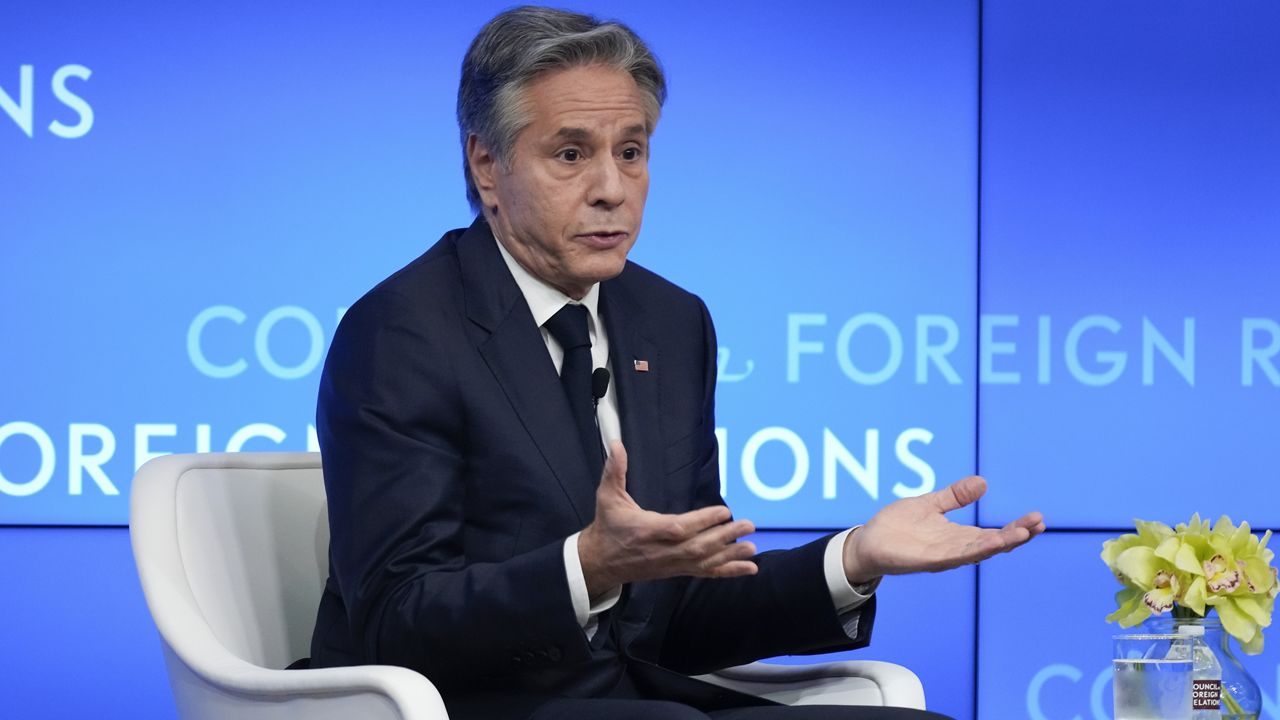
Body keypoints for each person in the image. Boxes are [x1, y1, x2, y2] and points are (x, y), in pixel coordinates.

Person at [309, 7, 1045, 719]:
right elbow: (395, 621)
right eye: (571, 153)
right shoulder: (404, 332)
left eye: (631, 151)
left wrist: (854, 558)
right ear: (487, 165)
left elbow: (682, 613)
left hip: (640, 699)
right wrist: (588, 567)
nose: (611, 188)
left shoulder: (668, 321)